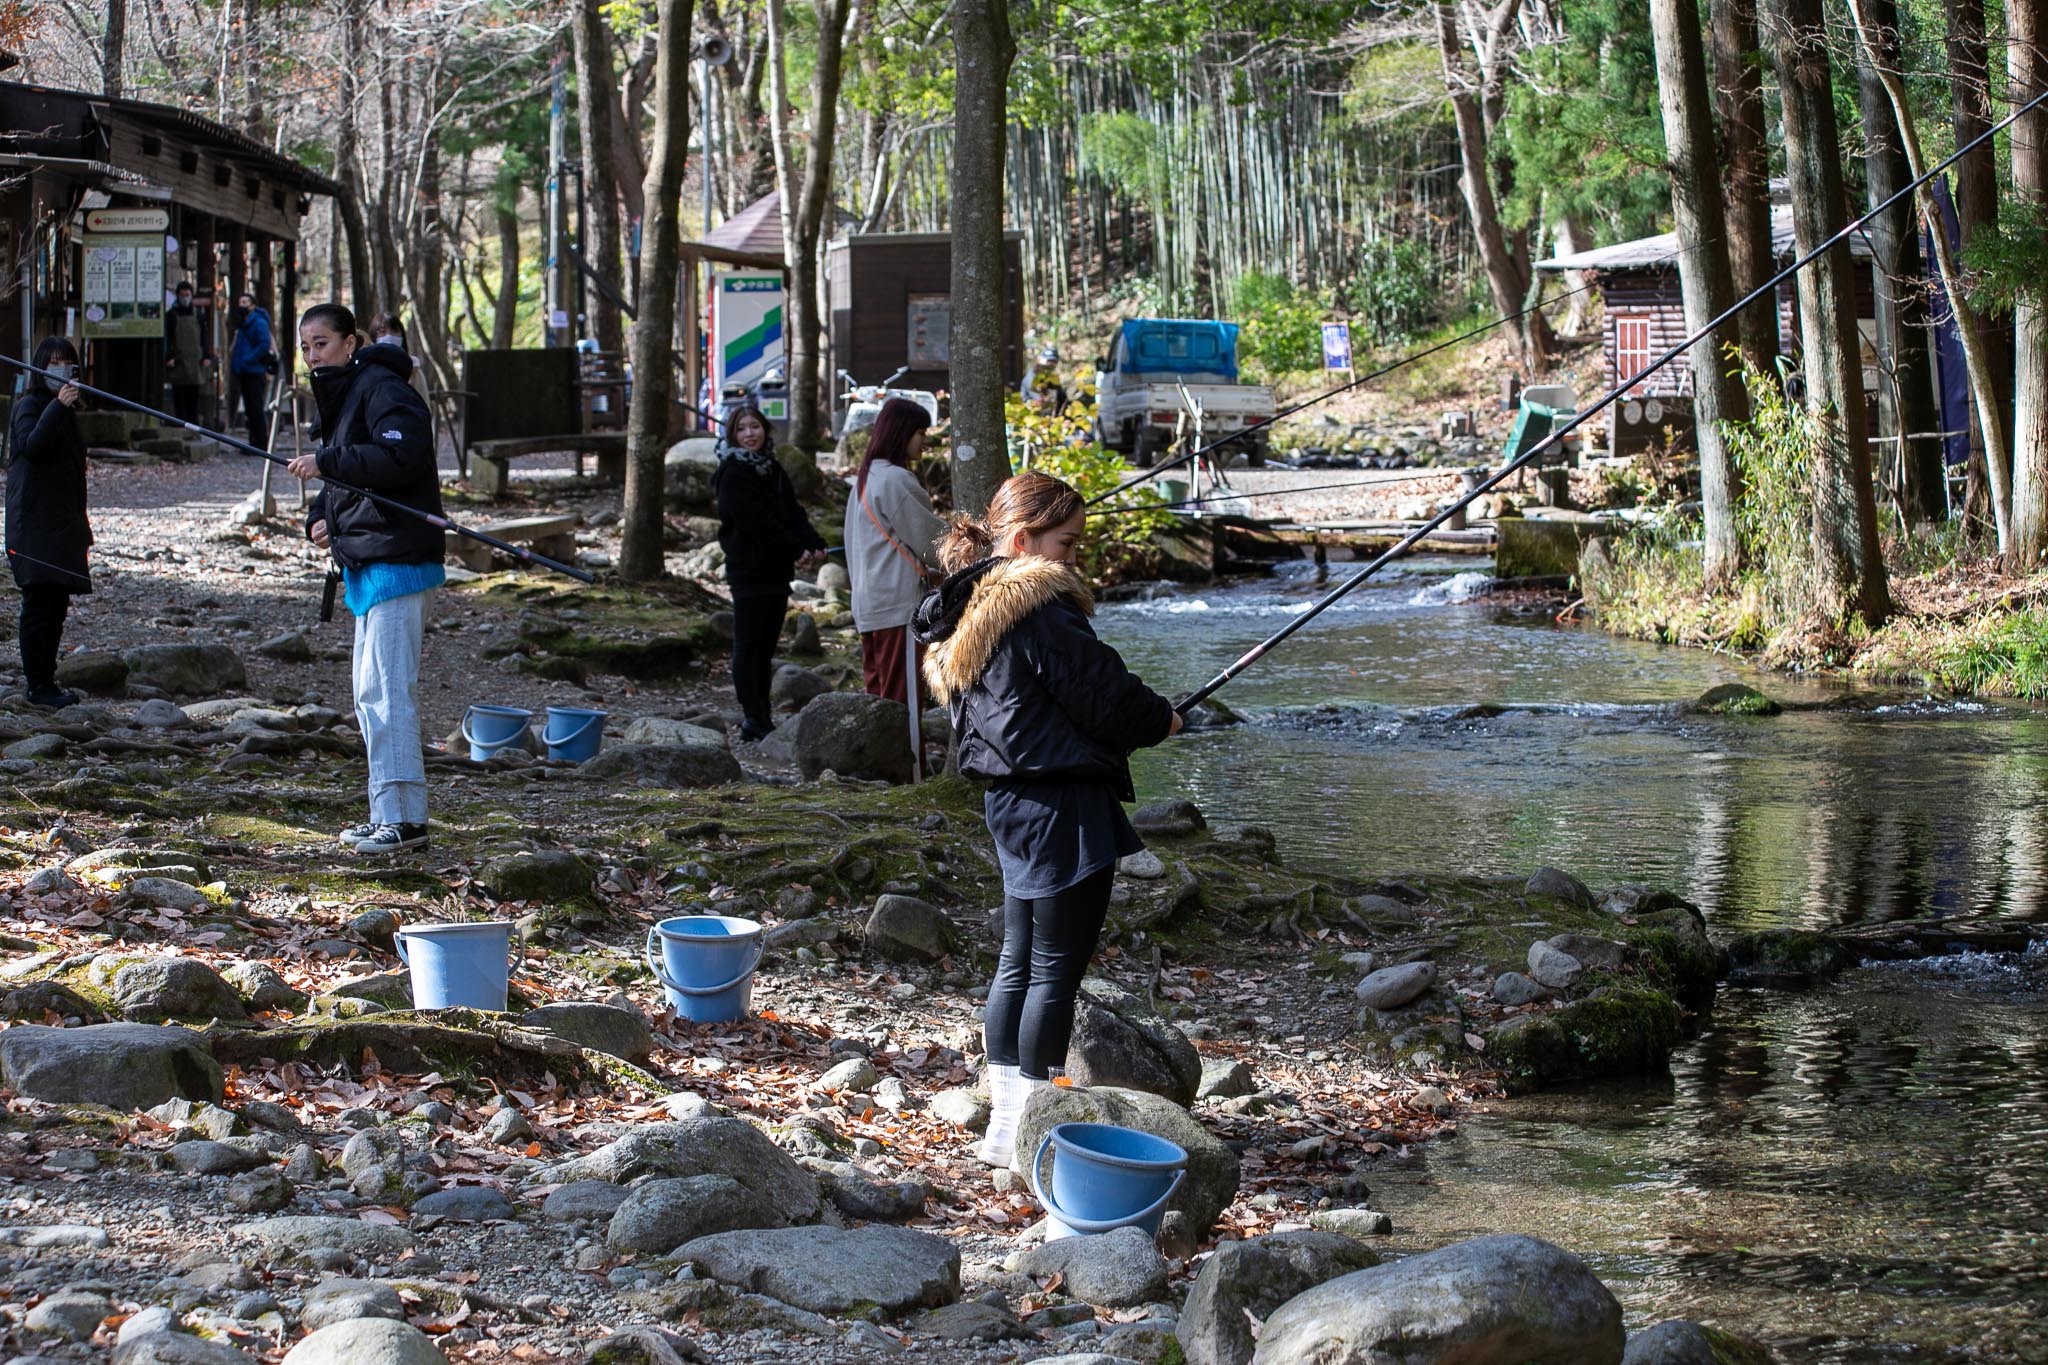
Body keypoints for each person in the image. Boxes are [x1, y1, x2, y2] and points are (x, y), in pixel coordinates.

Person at [912, 471, 1183, 1166]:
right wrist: (1163, 717)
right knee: (1053, 970)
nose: (1073, 558)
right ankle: (1028, 1123)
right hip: (1062, 803)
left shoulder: (971, 608)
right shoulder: (1038, 605)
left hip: (1011, 802)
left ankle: (1006, 1123)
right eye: (1066, 543)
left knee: (1019, 960)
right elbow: (1102, 692)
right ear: (1024, 538)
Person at [287, 303, 444, 855]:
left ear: (351, 343)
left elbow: (402, 456)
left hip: (397, 561)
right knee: (367, 693)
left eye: (322, 343)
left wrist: (330, 461)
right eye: (305, 346)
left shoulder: (381, 386)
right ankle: (385, 812)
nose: (313, 355)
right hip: (368, 562)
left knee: (387, 694)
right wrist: (320, 519)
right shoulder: (345, 396)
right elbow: (347, 480)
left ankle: (406, 821)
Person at [712, 405, 826, 741]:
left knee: (766, 647)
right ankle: (753, 716)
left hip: (776, 572)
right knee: (748, 645)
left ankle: (763, 716)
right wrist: (796, 548)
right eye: (742, 429)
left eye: (755, 427)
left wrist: (814, 543)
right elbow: (758, 522)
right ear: (733, 435)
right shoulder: (732, 472)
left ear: (765, 431)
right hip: (748, 570)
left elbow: (791, 512)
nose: (750, 434)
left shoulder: (772, 468)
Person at [5, 337, 92, 708]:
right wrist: (57, 407)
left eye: (67, 363)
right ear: (40, 367)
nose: (60, 369)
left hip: (61, 524)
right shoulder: (30, 405)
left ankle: (47, 681)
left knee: (56, 604)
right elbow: (31, 445)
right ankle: (37, 685)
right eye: (52, 363)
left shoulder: (68, 412)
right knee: (39, 603)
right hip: (33, 524)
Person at [843, 397, 946, 707]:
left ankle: (881, 758)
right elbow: (933, 544)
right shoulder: (896, 479)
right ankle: (909, 759)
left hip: (869, 605)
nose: (925, 442)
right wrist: (977, 541)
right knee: (902, 705)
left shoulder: (865, 479)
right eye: (920, 433)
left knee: (878, 704)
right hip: (897, 606)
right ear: (903, 433)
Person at [229, 291, 276, 450]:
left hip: (254, 370)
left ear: (253, 305)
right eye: (240, 302)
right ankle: (253, 441)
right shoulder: (243, 323)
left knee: (256, 407)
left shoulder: (258, 322)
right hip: (244, 370)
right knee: (250, 408)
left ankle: (261, 442)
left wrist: (247, 359)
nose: (241, 305)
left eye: (245, 302)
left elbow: (264, 345)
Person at [163, 281, 213, 425]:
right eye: (182, 295)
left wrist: (206, 355)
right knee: (179, 395)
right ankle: (180, 424)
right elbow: (168, 337)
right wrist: (169, 355)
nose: (185, 298)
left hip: (195, 360)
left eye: (187, 295)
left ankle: (193, 425)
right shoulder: (171, 315)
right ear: (178, 296)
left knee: (193, 397)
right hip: (178, 360)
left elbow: (204, 336)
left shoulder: (198, 314)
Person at [367, 312, 432, 405]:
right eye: (382, 331)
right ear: (373, 336)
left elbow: (425, 406)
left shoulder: (414, 371)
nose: (389, 336)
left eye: (394, 331)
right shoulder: (366, 371)